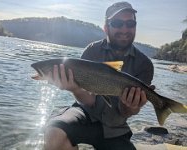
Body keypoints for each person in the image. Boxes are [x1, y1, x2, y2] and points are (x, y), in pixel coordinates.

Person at [44, 1, 154, 150]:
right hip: (84, 115)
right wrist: (75, 89)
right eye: (117, 23)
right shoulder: (91, 50)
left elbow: (127, 112)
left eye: (130, 23)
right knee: (54, 133)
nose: (124, 29)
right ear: (106, 28)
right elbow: (89, 101)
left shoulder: (145, 65)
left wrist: (131, 106)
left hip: (116, 128)